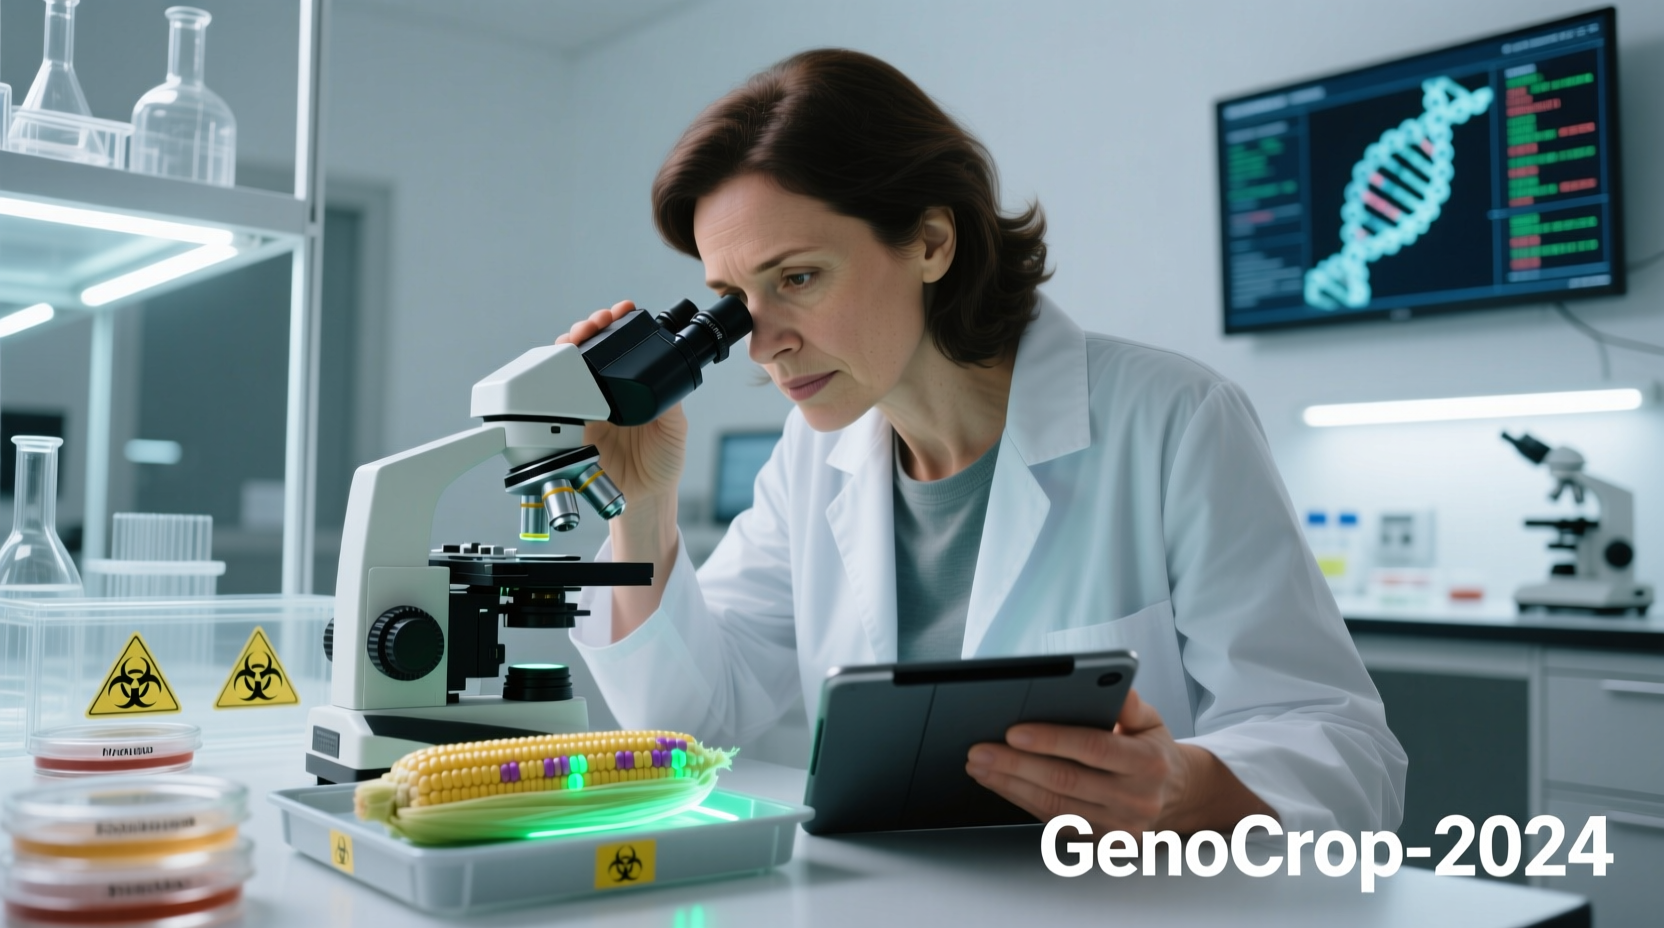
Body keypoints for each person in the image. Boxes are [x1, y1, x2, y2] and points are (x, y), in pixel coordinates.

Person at [557, 49, 1405, 837]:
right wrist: (643, 506)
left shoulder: (1173, 417)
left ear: (930, 241)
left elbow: (1340, 745)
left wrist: (1180, 786)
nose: (762, 342)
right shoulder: (812, 460)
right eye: (734, 300)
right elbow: (693, 723)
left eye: (799, 278)